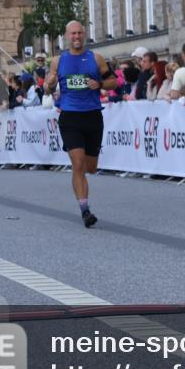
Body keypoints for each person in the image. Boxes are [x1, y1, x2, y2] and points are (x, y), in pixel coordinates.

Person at [43, 21, 117, 228]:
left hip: (93, 116)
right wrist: (49, 85)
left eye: (79, 33)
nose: (76, 36)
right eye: (72, 33)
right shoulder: (58, 61)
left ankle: (85, 195)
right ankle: (85, 211)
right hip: (70, 117)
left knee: (90, 167)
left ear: (84, 34)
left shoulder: (96, 58)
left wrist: (100, 84)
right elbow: (48, 89)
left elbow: (114, 82)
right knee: (77, 163)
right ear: (67, 36)